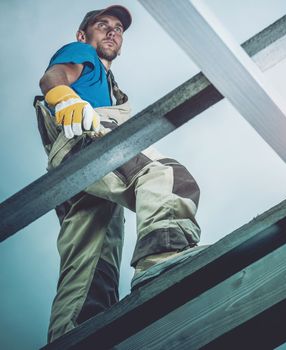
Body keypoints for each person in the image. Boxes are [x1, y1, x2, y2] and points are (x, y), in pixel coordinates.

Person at [35, 5, 204, 343]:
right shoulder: (82, 55)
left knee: (90, 262)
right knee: (164, 175)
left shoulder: (108, 82)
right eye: (103, 25)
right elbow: (53, 76)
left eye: (118, 28)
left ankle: (73, 336)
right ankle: (163, 255)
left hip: (72, 179)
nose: (113, 31)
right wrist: (63, 97)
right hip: (88, 138)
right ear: (84, 35)